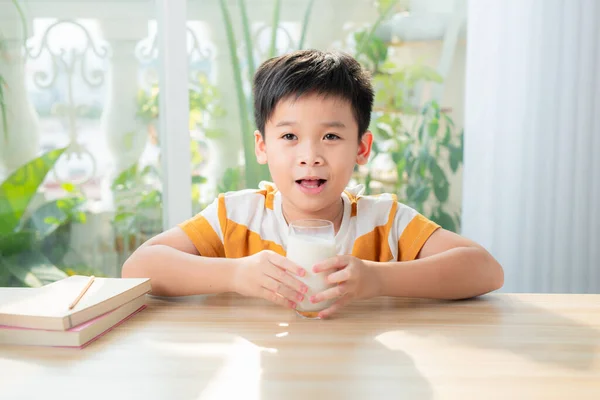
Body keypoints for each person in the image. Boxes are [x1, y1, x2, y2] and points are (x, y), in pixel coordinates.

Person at [122, 49, 504, 319]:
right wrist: (236, 274)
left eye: (331, 137)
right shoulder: (236, 216)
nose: (310, 156)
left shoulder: (385, 222)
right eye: (289, 137)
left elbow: (485, 270)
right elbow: (139, 267)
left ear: (362, 147)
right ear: (262, 147)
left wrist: (376, 278)